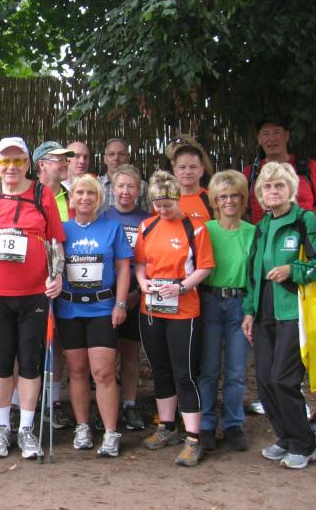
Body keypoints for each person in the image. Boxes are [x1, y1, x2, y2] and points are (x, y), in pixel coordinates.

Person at [0, 137, 65, 459]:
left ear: (27, 164)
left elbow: (55, 242)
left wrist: (57, 275)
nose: (11, 167)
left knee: (31, 360)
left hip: (35, 292)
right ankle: (3, 428)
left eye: (18, 160)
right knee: (2, 360)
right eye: (5, 161)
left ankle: (26, 429)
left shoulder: (42, 194)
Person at [134, 171, 214, 467]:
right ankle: (166, 426)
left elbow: (205, 267)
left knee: (185, 373)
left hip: (184, 308)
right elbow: (140, 263)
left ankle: (194, 437)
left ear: (178, 199)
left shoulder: (196, 227)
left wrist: (181, 287)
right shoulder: (147, 226)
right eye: (158, 205)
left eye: (168, 204)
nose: (163, 210)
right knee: (160, 369)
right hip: (153, 308)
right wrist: (143, 282)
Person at [241, 162, 316, 469]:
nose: (272, 191)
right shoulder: (262, 226)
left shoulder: (305, 220)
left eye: (279, 186)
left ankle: (303, 444)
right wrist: (249, 311)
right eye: (267, 187)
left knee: (284, 379)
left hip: (293, 311)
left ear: (291, 189)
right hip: (264, 311)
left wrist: (292, 270)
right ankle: (286, 437)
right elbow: (253, 274)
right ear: (260, 193)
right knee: (265, 380)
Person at [57, 175, 131, 457]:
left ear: (99, 198)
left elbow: (123, 269)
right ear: (72, 198)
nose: (85, 198)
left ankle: (111, 432)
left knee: (103, 372)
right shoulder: (62, 230)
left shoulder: (112, 228)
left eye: (91, 193)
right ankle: (82, 426)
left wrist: (120, 303)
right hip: (70, 309)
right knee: (77, 370)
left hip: (102, 308)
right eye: (80, 193)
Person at [197, 171, 255, 452]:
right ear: (215, 201)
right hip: (209, 301)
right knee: (208, 369)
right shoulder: (205, 230)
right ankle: (206, 424)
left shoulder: (253, 233)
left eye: (234, 196)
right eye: (223, 197)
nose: (229, 201)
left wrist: (251, 310)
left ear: (242, 199)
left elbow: (257, 276)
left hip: (239, 304)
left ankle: (233, 424)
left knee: (235, 370)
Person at [101, 165, 150, 431]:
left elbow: (153, 259)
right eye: (121, 186)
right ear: (113, 189)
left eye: (131, 186)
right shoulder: (104, 217)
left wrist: (137, 292)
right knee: (105, 354)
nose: (125, 191)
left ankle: (130, 405)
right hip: (107, 291)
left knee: (130, 352)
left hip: (136, 289)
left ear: (139, 190)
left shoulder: (147, 220)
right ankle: (104, 407)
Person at [32, 140, 76, 429]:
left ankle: (53, 401)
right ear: (41, 165)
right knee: (26, 341)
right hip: (32, 278)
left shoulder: (73, 194)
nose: (64, 164)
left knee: (56, 341)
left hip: (68, 278)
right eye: (57, 159)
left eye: (65, 159)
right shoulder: (29, 193)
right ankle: (20, 403)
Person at [243, 120, 316, 223]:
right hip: (262, 231)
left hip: (305, 230)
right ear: (259, 139)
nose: (272, 139)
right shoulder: (250, 173)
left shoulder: (309, 167)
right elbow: (241, 208)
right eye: (266, 134)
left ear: (286, 136)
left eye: (276, 132)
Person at [98, 138, 150, 212]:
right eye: (111, 154)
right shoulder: (96, 185)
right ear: (105, 159)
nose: (116, 158)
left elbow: (147, 216)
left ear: (128, 158)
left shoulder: (142, 186)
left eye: (121, 154)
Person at [171, 144, 212, 220]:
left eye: (193, 167)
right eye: (182, 167)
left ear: (201, 170)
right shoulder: (165, 200)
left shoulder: (212, 199)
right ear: (175, 170)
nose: (188, 172)